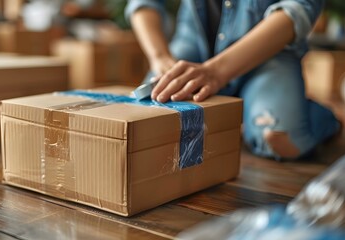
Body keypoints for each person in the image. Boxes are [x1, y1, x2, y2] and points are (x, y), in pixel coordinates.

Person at [125, 0, 341, 160]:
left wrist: (217, 72)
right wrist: (159, 57)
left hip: (269, 49)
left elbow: (299, 7)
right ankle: (244, 104)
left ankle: (327, 120)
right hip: (194, 41)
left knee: (279, 139)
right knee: (150, 114)